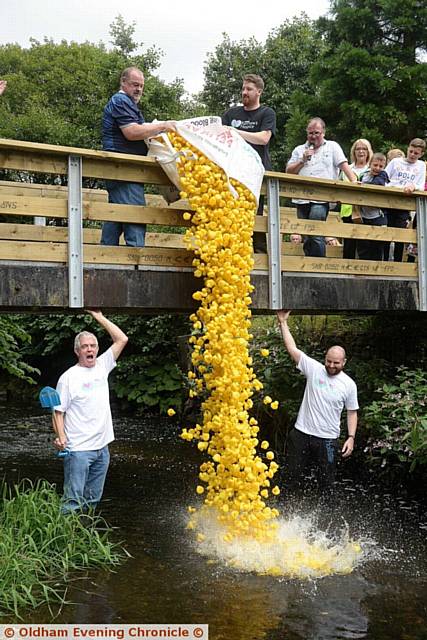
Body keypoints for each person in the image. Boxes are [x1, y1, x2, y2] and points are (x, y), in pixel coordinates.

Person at [52, 310, 128, 513]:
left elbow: (122, 339)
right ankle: (64, 540)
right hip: (78, 450)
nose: (89, 349)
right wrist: (61, 437)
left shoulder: (102, 366)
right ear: (77, 351)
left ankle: (84, 537)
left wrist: (99, 317)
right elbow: (58, 412)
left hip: (102, 449)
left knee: (92, 501)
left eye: (93, 346)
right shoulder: (68, 378)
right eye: (85, 346)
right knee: (72, 502)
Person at [276, 310, 358, 493]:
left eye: (336, 363)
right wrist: (283, 322)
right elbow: (292, 349)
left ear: (344, 362)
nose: (331, 365)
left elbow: (352, 412)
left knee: (327, 484)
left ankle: (327, 520)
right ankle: (282, 515)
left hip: (328, 439)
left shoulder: (349, 385)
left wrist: (351, 438)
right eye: (329, 361)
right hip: (302, 433)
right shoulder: (314, 369)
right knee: (290, 477)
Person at [101, 67, 176, 247]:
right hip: (126, 169)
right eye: (135, 85)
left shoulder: (126, 103)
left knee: (114, 219)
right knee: (135, 219)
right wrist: (163, 126)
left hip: (120, 170)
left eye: (141, 86)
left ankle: (102, 264)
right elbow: (132, 132)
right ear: (123, 83)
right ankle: (136, 267)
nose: (139, 89)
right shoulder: (121, 100)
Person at [286, 117, 357, 257]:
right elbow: (288, 171)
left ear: (323, 132)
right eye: (310, 133)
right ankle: (310, 266)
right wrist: (302, 160)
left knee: (315, 231)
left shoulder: (332, 146)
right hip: (301, 197)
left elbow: (344, 166)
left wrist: (354, 181)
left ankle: (318, 268)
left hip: (322, 197)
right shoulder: (299, 149)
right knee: (306, 234)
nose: (313, 136)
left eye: (316, 133)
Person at [222, 74, 276, 253]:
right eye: (243, 88)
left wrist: (235, 132)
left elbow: (264, 138)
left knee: (255, 217)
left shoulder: (267, 113)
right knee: (230, 216)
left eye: (249, 89)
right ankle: (231, 253)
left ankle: (259, 257)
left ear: (259, 92)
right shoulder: (230, 114)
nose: (244, 92)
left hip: (256, 174)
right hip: (233, 172)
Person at [384, 138, 426, 262]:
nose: (412, 155)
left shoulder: (421, 165)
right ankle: (384, 262)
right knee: (386, 233)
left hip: (404, 205)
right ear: (407, 149)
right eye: (411, 151)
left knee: (400, 235)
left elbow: (420, 184)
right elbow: (384, 178)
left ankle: (397, 264)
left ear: (421, 154)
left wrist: (413, 186)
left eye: (416, 153)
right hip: (389, 202)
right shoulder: (396, 162)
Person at [339, 138, 373, 259]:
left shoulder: (372, 169)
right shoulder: (346, 168)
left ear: (369, 152)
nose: (361, 151)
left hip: (366, 211)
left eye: (364, 149)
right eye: (358, 149)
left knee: (364, 243)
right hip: (348, 210)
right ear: (354, 152)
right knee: (349, 243)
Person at [357, 153, 389, 261]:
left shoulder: (383, 175)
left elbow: (377, 185)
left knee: (377, 243)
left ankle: (376, 268)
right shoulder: (363, 175)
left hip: (378, 214)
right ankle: (364, 267)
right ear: (370, 164)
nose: (377, 168)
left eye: (381, 166)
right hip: (364, 213)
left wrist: (365, 187)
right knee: (363, 243)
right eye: (375, 165)